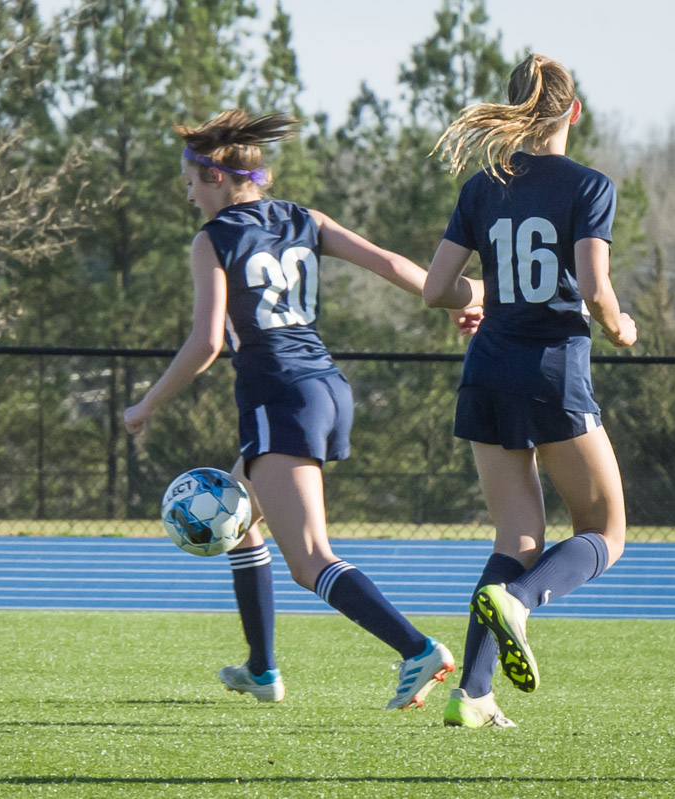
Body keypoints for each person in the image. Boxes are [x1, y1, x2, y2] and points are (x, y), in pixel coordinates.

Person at [124, 110, 455, 710]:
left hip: (278, 392)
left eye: (192, 181)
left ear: (217, 178)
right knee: (242, 514)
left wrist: (146, 404)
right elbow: (392, 264)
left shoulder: (214, 239)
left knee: (310, 560)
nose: (188, 193)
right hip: (326, 386)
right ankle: (261, 668)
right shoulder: (305, 219)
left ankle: (416, 649)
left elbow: (206, 343)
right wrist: (463, 296)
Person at [422, 54, 637, 728]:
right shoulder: (588, 185)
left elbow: (436, 290)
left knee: (516, 533)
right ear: (574, 112)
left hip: (486, 370)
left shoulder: (483, 187)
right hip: (549, 371)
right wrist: (622, 325)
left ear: (513, 108)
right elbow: (595, 289)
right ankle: (523, 600)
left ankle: (474, 694)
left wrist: (479, 293)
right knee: (607, 530)